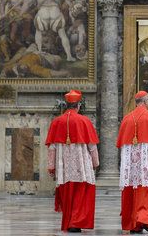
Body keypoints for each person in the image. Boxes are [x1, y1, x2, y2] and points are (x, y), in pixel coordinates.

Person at [45, 90, 99, 233]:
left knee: (67, 194)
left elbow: (52, 147)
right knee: (81, 193)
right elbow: (92, 146)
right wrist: (95, 163)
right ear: (78, 105)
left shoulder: (57, 122)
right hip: (82, 167)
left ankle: (69, 222)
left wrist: (51, 166)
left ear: (66, 105)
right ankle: (76, 221)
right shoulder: (84, 121)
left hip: (64, 168)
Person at [117, 91, 148, 234]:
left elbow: (121, 143)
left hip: (130, 164)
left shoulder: (127, 119)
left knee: (132, 189)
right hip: (147, 162)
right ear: (145, 101)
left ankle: (134, 224)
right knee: (147, 188)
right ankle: (144, 219)